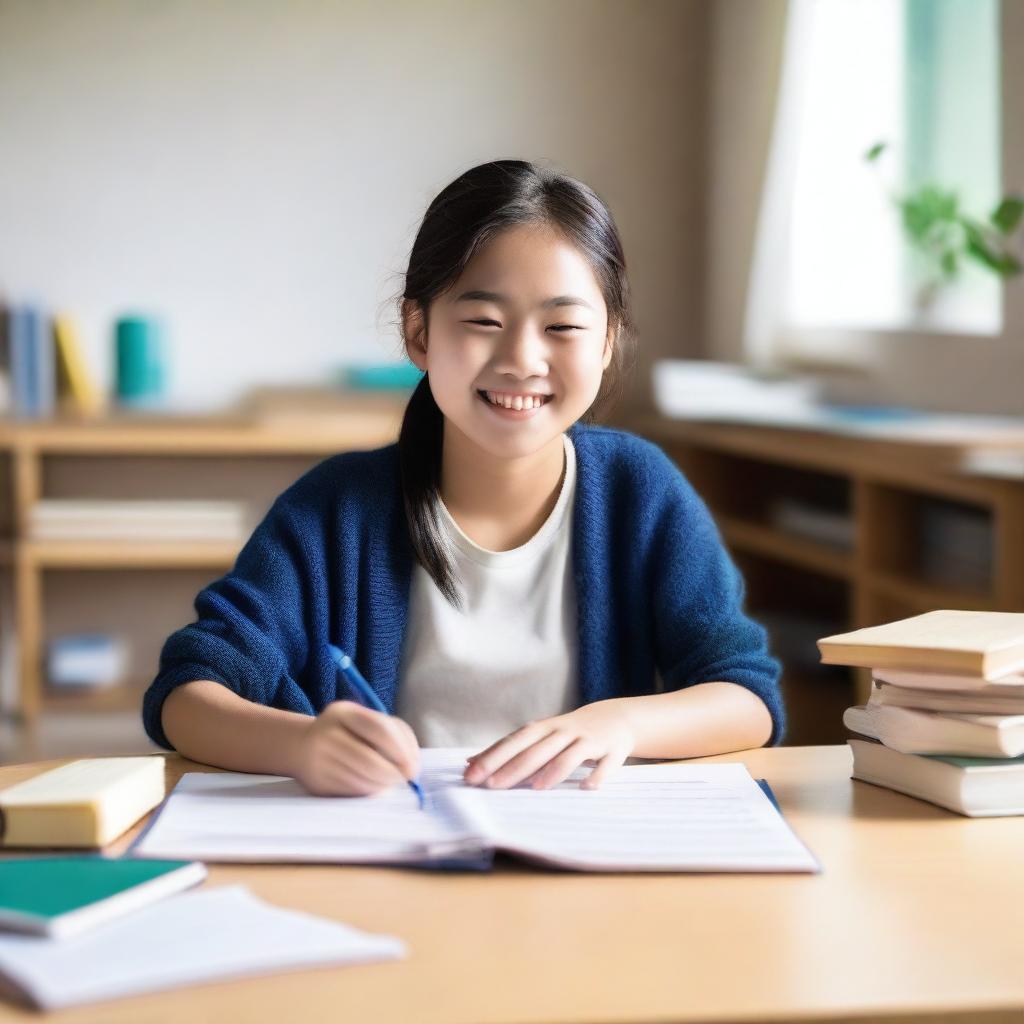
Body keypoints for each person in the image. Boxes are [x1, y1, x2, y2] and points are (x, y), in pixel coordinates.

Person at [143, 159, 783, 798]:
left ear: (608, 341)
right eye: (484, 322)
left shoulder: (638, 491)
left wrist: (623, 721)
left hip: (583, 858)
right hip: (388, 854)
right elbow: (190, 692)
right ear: (417, 331)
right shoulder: (336, 508)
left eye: (562, 327)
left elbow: (748, 697)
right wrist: (301, 745)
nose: (522, 360)